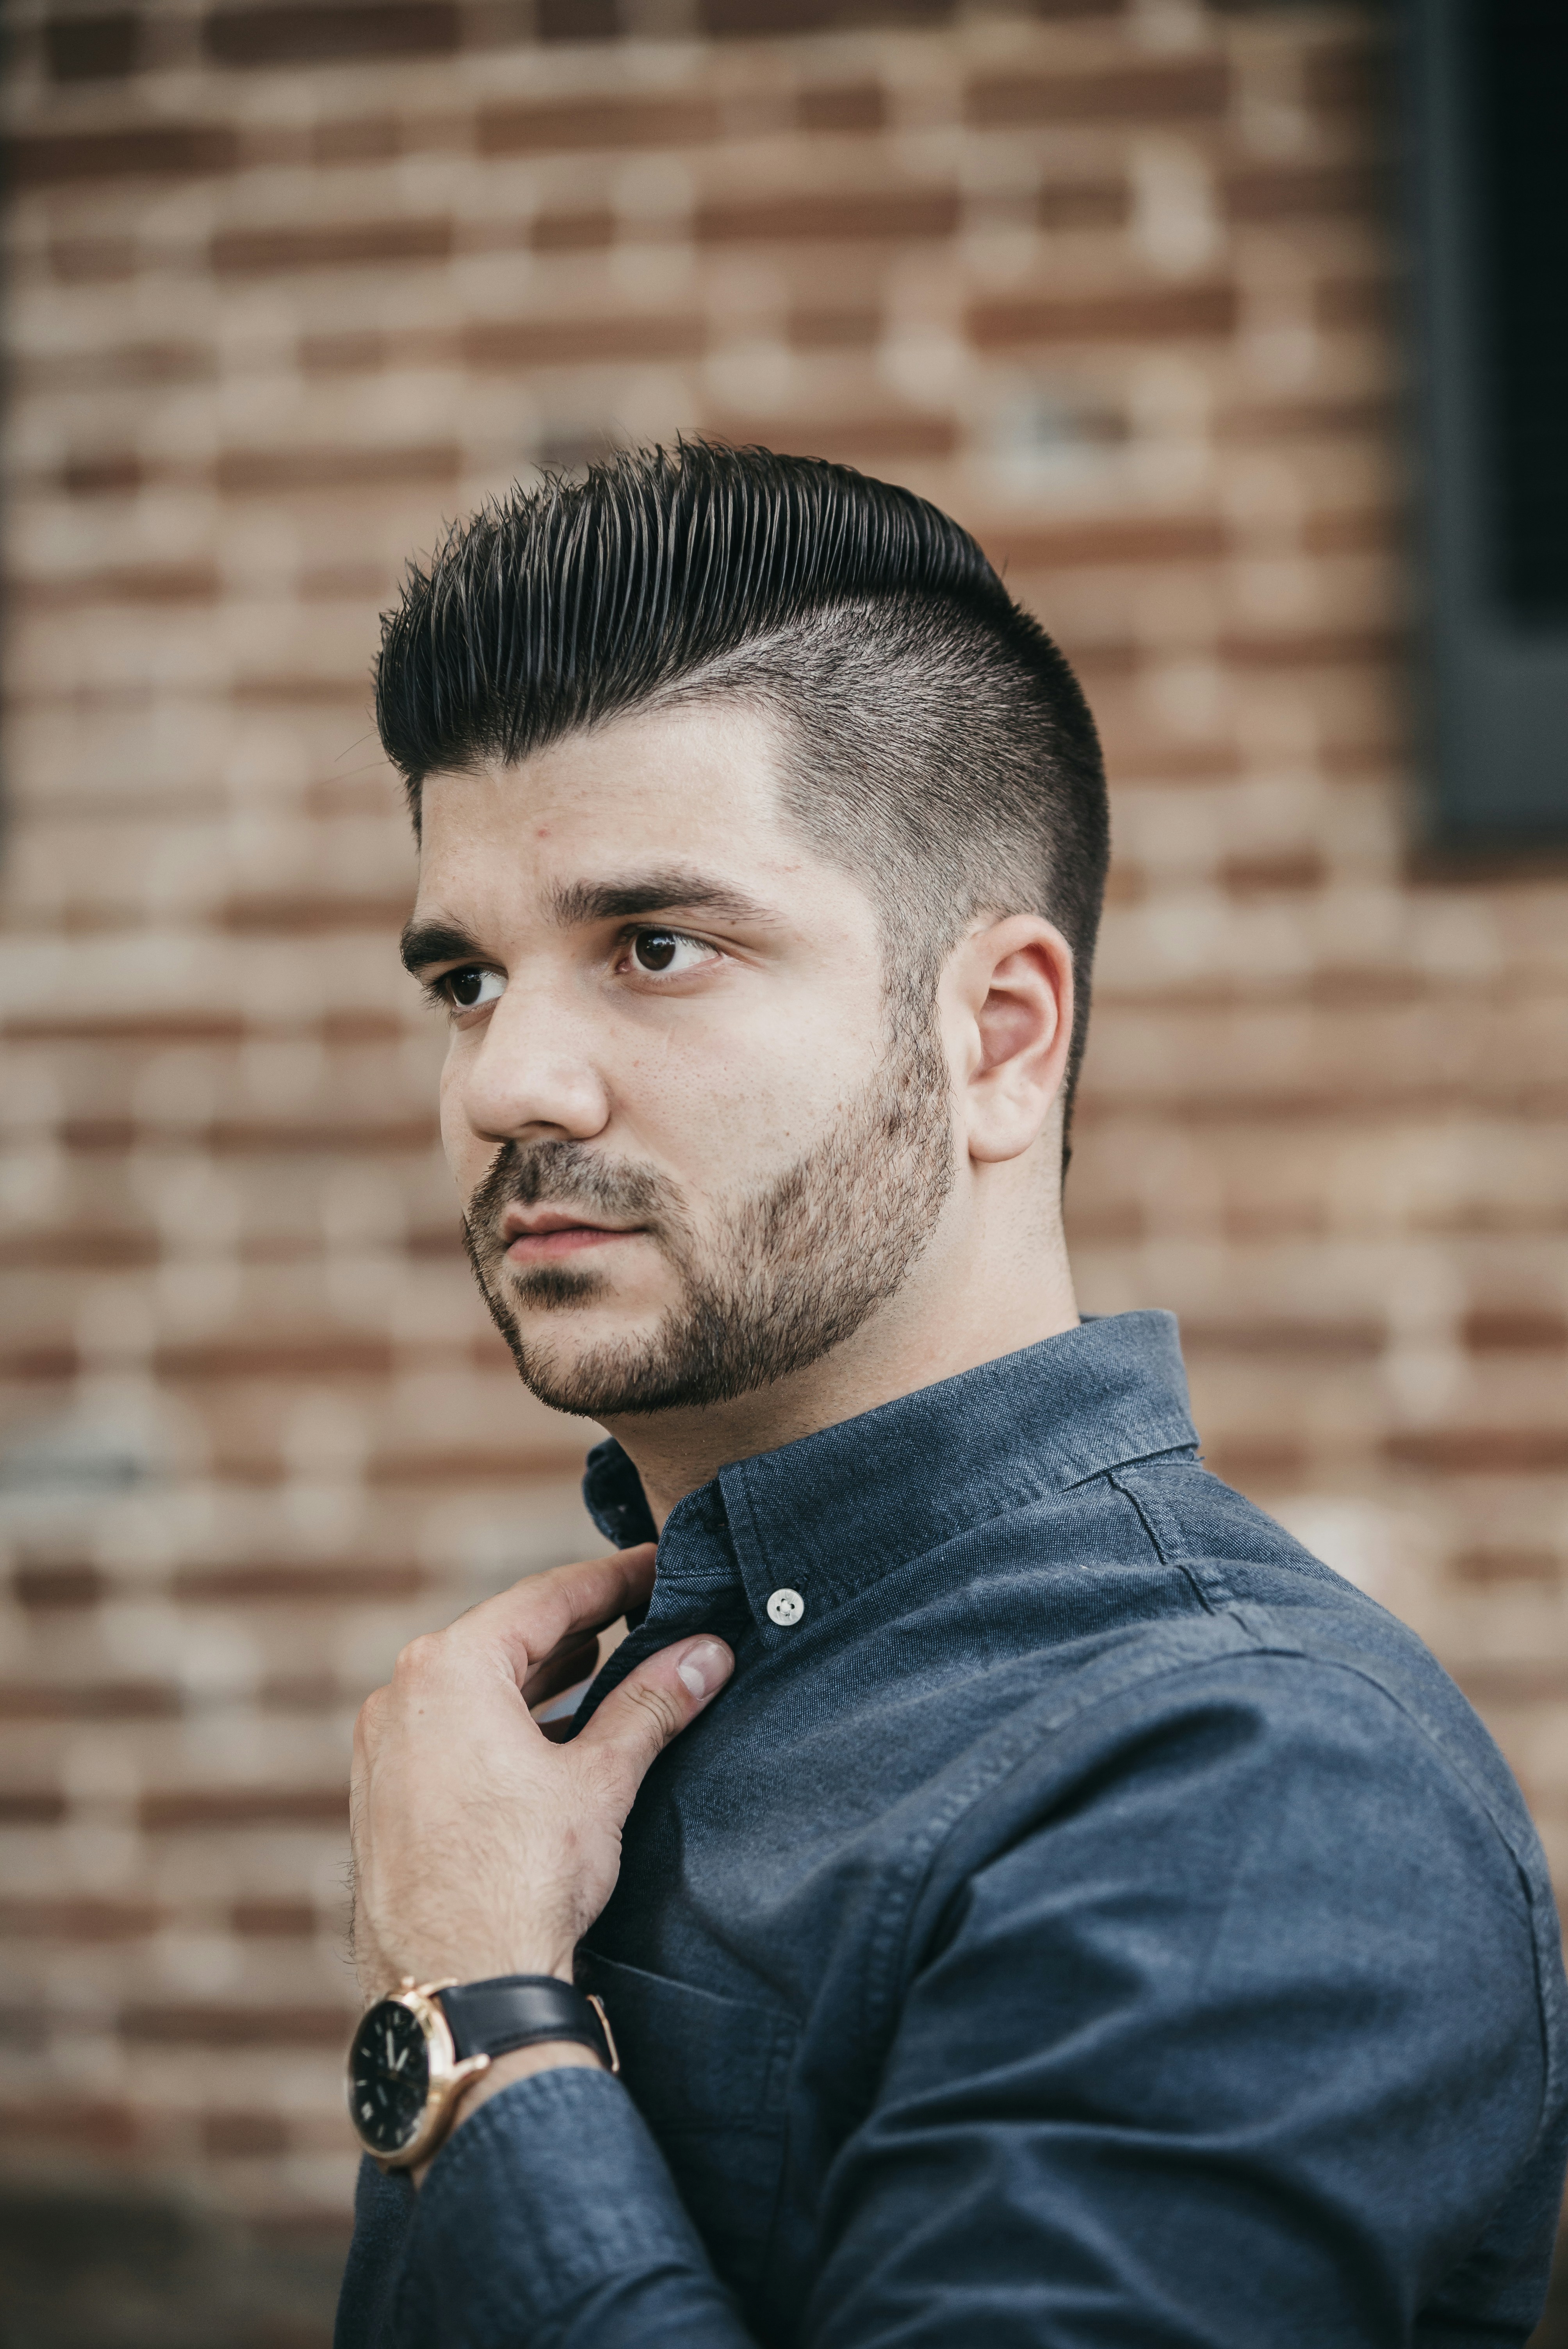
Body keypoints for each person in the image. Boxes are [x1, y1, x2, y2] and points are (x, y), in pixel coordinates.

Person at [335, 444, 1567, 2349]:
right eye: (466, 979)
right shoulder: (596, 1717)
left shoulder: (1249, 1789)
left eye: (653, 948)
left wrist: (480, 2012)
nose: (510, 1083)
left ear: (996, 1035)